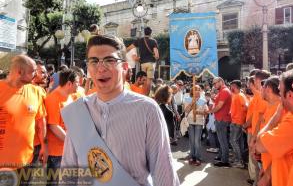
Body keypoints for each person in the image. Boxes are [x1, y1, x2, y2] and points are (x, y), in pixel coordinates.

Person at [61, 35, 179, 186]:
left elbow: (164, 171)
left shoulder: (147, 110)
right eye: (94, 61)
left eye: (110, 60)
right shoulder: (78, 111)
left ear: (124, 67)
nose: (101, 68)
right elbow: (69, 169)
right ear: (88, 69)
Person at [0, 55, 48, 184]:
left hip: (26, 161)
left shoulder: (36, 92)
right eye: (32, 71)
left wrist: (44, 145)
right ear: (19, 72)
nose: (36, 74)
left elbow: (40, 121)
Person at [254, 69, 293, 186]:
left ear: (289, 95)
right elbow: (283, 152)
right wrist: (268, 172)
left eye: (280, 92)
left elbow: (259, 145)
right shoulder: (291, 114)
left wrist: (275, 117)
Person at [45, 69, 79, 185]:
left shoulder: (70, 97)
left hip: (67, 149)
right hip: (56, 153)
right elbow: (54, 126)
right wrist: (72, 142)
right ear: (69, 84)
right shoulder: (53, 99)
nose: (79, 85)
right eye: (77, 82)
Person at [206, 77, 232, 167]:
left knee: (223, 140)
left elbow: (219, 106)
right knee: (222, 140)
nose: (214, 85)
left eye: (215, 83)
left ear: (221, 81)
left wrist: (210, 111)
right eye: (213, 84)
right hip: (221, 118)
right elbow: (217, 102)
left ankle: (225, 161)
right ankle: (222, 157)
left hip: (222, 119)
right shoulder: (223, 91)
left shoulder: (224, 91)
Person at [184, 84, 208, 166]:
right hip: (190, 121)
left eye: (198, 89)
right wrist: (192, 103)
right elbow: (186, 110)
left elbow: (206, 112)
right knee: (192, 140)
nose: (197, 91)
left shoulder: (203, 100)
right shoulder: (187, 99)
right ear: (192, 91)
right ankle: (192, 156)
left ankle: (198, 157)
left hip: (199, 121)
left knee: (197, 140)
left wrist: (198, 112)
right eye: (195, 89)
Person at [229, 80, 247, 168]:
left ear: (235, 86)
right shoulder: (237, 95)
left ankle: (240, 161)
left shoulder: (240, 96)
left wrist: (241, 117)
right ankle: (237, 159)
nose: (230, 88)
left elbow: (246, 107)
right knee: (236, 142)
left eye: (231, 86)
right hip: (235, 121)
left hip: (238, 122)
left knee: (233, 141)